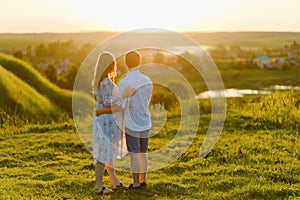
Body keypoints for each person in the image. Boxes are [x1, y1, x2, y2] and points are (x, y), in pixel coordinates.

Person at [92, 52, 127, 194]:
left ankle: (115, 182)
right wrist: (122, 100)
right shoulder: (106, 82)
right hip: (106, 121)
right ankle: (99, 187)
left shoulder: (99, 81)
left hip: (103, 119)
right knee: (102, 154)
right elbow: (108, 103)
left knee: (107, 153)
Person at [118, 50, 153, 189]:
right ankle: (143, 180)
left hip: (131, 123)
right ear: (140, 62)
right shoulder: (148, 80)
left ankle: (136, 183)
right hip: (145, 121)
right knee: (142, 153)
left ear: (126, 63)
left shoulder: (124, 82)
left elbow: (120, 105)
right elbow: (147, 101)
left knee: (133, 154)